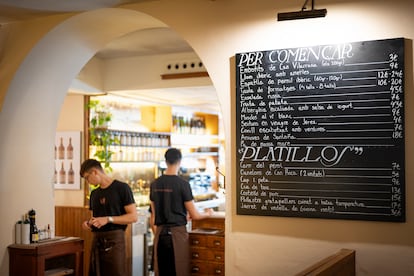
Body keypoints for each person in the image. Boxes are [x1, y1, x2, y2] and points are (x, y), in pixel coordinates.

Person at [150, 148, 213, 276]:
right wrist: (208, 213)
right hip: (177, 235)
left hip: (160, 235)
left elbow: (153, 215)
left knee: (162, 271)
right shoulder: (183, 184)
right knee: (178, 270)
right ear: (180, 161)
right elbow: (194, 214)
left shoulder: (155, 184)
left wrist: (158, 234)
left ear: (166, 161)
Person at [80, 159, 137, 276]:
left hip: (115, 240)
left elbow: (133, 217)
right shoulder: (94, 194)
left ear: (95, 172)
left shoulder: (122, 188)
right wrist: (88, 224)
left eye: (87, 177)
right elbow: (94, 218)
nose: (87, 181)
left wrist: (109, 219)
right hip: (97, 240)